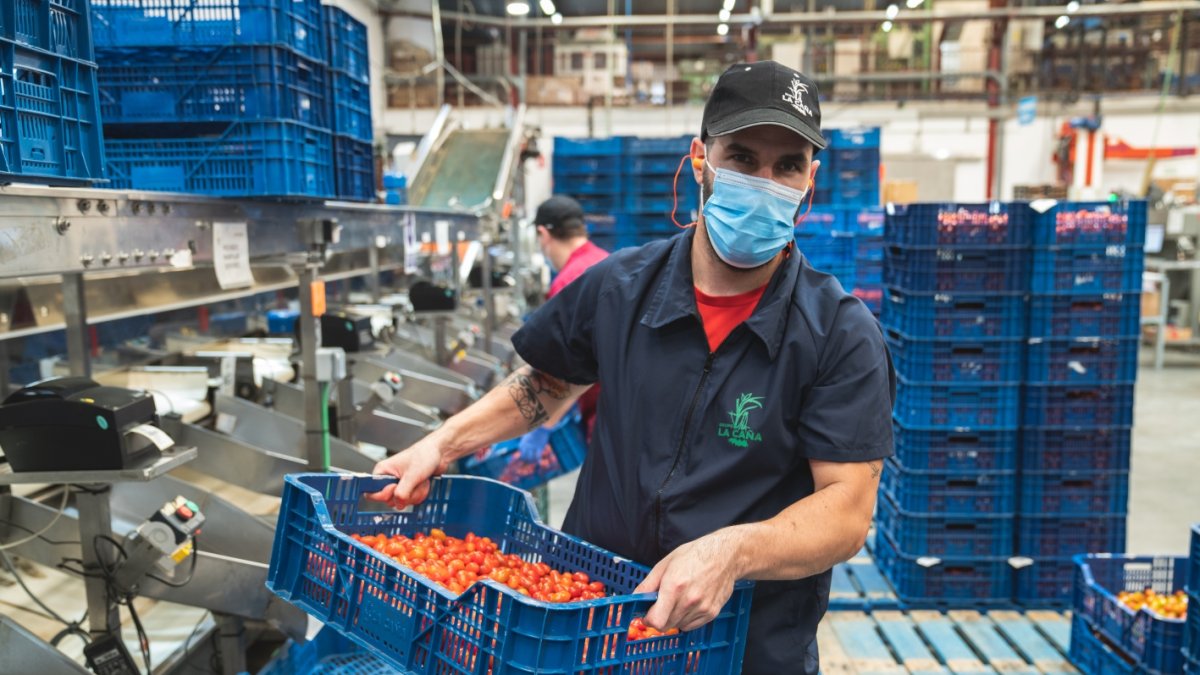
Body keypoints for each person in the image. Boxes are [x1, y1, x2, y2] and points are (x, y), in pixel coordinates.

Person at [370, 61, 895, 675]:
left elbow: (846, 510)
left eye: (787, 166)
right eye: (743, 158)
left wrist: (733, 552)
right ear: (700, 159)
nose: (764, 182)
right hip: (591, 626)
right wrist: (440, 444)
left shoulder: (838, 333)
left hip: (740, 647)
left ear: (810, 180)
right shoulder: (621, 286)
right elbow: (547, 384)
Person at [516, 195, 609, 458]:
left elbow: (569, 372)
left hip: (605, 414)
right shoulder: (604, 261)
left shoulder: (568, 283)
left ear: (543, 234)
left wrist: (545, 426)